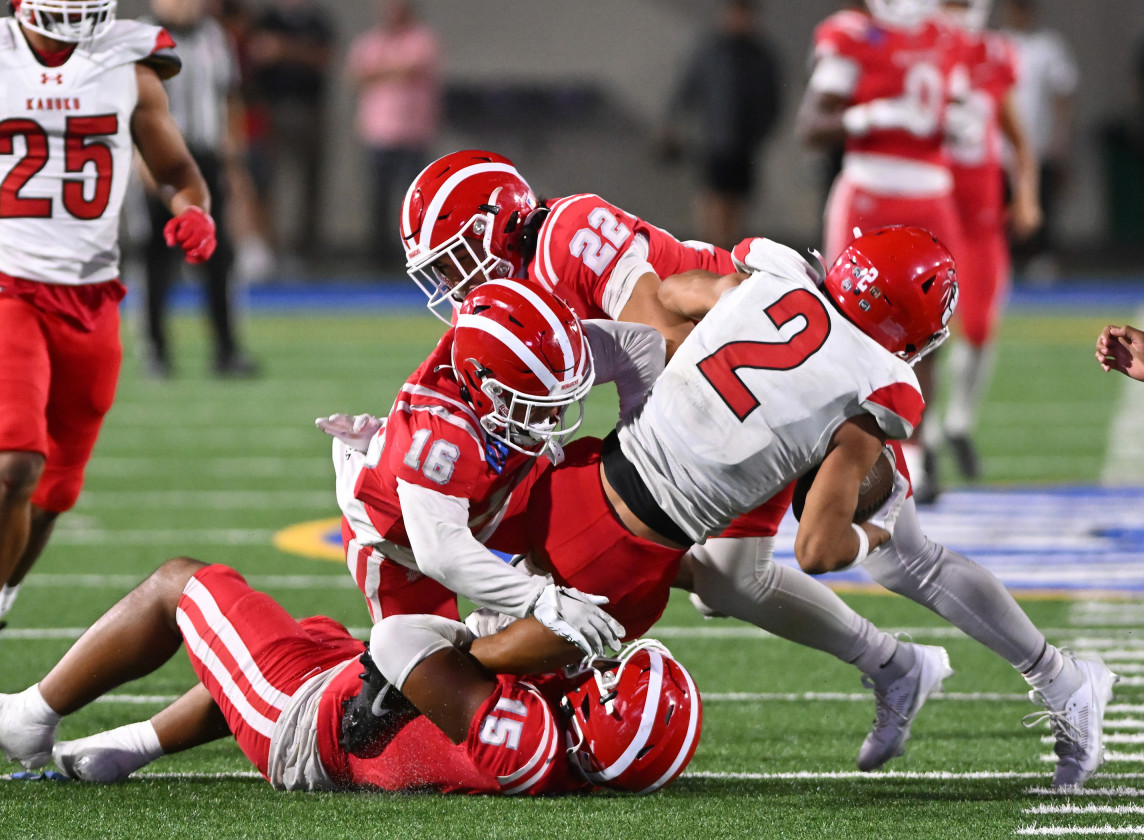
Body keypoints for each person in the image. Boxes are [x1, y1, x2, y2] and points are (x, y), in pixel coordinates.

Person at [399, 162, 1118, 787]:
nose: (450, 282)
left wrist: (647, 474)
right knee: (729, 578)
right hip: (739, 386)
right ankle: (902, 667)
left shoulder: (568, 234)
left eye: (454, 259)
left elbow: (662, 336)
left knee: (897, 558)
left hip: (747, 381)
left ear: (501, 223)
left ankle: (1055, 678)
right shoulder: (514, 289)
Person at [0, 0, 216, 692]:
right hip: (5, 288)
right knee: (16, 460)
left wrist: (193, 213)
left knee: (54, 493)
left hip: (94, 302)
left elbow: (179, 172)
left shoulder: (129, 61)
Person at [0, 557, 701, 794]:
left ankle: (28, 714)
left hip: (303, 724)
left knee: (183, 584)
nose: (596, 664)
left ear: (603, 717)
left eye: (608, 675)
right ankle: (133, 744)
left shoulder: (527, 739)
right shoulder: (562, 748)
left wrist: (507, 629)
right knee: (309, 633)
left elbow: (401, 637)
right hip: (346, 700)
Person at [329, 277, 667, 662]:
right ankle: (486, 629)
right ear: (489, 391)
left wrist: (638, 448)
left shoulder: (538, 355)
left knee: (595, 531)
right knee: (431, 671)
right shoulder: (439, 434)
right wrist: (538, 599)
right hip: (398, 541)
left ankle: (514, 617)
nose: (555, 416)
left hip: (497, 491)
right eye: (538, 403)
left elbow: (641, 344)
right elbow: (441, 553)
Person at [797, 0, 963, 502]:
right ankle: (828, 453)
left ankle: (915, 452)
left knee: (932, 329)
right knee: (846, 325)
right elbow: (810, 127)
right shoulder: (856, 35)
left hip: (932, 193)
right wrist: (868, 115)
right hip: (869, 192)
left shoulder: (947, 35)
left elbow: (956, 107)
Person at [936, 0, 1041, 478]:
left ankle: (957, 422)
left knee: (979, 327)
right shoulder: (921, 49)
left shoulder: (994, 54)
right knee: (923, 333)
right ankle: (922, 439)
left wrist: (1025, 196)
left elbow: (1018, 139)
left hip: (979, 216)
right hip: (929, 213)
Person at [143, 0, 259, 379]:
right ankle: (156, 351)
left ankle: (226, 350)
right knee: (156, 260)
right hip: (160, 155)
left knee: (218, 257)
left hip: (207, 158)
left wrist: (233, 163)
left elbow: (230, 99)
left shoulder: (215, 36)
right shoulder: (142, 38)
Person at [659, 0, 781, 246]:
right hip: (712, 142)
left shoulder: (762, 56)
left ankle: (727, 252)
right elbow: (686, 88)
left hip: (746, 145)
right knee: (713, 199)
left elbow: (772, 101)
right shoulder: (709, 51)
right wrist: (671, 125)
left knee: (737, 201)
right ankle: (710, 251)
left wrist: (760, 134)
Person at [345, 0, 441, 270]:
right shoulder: (371, 40)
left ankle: (414, 253)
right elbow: (355, 74)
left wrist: (379, 70)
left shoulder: (422, 38)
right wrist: (392, 69)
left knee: (414, 201)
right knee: (378, 198)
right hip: (378, 132)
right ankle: (377, 257)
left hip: (413, 133)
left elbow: (411, 67)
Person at [247, 0, 334, 261]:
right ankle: (270, 248)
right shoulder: (268, 19)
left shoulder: (317, 21)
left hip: (309, 110)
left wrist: (284, 49)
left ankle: (307, 249)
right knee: (266, 182)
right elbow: (255, 53)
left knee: (310, 184)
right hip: (273, 110)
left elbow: (324, 58)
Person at [1001, 0, 1077, 281]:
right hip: (1000, 146)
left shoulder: (1048, 46)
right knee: (1001, 203)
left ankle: (1042, 256)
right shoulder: (998, 43)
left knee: (1041, 200)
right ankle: (1003, 259)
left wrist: (1060, 137)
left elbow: (1063, 93)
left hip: (1037, 141)